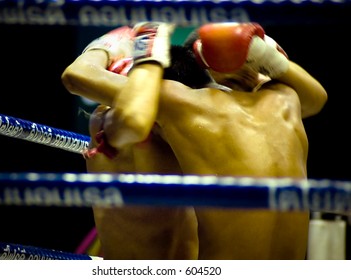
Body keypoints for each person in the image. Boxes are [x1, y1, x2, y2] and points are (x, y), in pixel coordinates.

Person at [62, 22, 327, 259]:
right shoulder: (287, 100)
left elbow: (80, 78)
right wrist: (265, 56)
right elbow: (317, 98)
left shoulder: (186, 104)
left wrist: (143, 42)